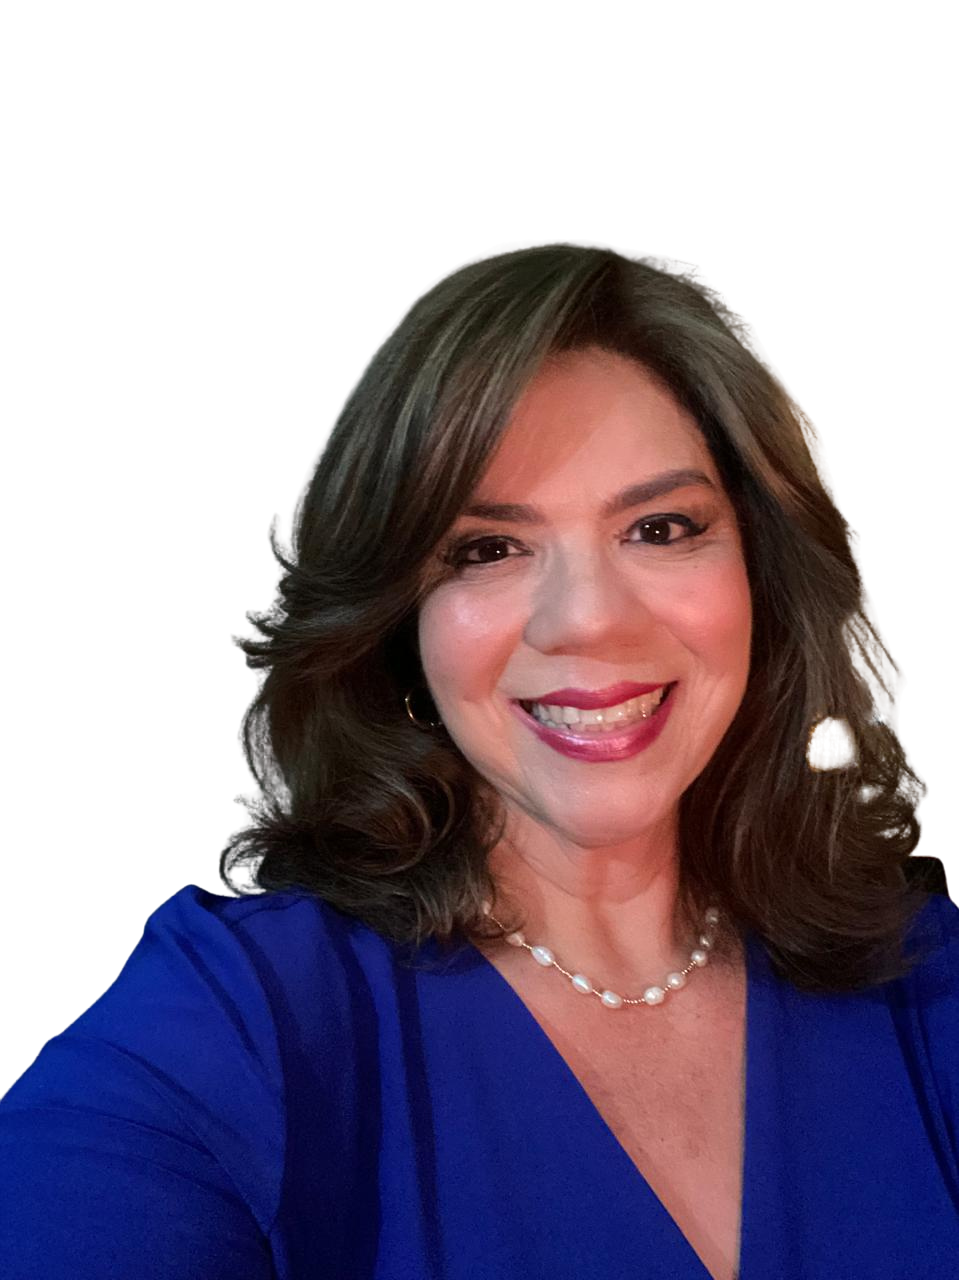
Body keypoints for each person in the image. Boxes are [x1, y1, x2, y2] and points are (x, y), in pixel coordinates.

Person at [2, 241, 955, 1279]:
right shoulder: (234, 1021)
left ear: (759, 577)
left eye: (659, 526)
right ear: (397, 625)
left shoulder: (928, 985)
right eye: (485, 548)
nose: (586, 618)